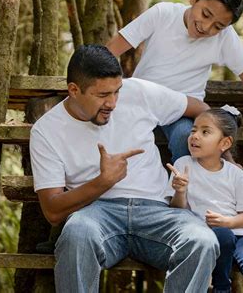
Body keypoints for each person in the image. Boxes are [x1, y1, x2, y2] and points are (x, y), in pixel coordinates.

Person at [29, 45, 219, 293]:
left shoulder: (139, 91)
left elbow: (200, 109)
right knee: (76, 234)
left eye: (117, 91)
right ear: (74, 90)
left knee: (202, 241)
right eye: (102, 95)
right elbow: (53, 211)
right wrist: (103, 182)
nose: (113, 103)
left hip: (157, 211)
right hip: (97, 215)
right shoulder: (46, 131)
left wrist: (222, 151)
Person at [106, 0, 243, 163]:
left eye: (218, 26)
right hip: (144, 102)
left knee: (186, 139)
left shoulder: (225, 38)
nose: (206, 27)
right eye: (206, 14)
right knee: (119, 135)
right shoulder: (163, 13)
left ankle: (187, 189)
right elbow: (110, 51)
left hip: (184, 110)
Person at [166, 106, 243, 293]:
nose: (195, 136)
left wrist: (228, 221)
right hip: (210, 235)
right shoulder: (183, 165)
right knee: (223, 235)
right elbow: (177, 211)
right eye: (193, 130)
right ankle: (222, 287)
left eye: (205, 132)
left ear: (224, 143)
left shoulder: (235, 174)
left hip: (242, 235)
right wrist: (180, 191)